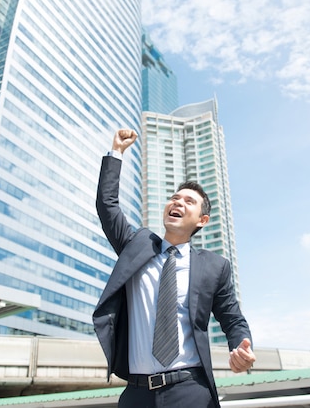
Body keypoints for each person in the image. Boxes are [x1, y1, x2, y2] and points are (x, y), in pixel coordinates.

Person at [93, 129, 256, 408]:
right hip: (136, 394)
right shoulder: (137, 246)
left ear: (202, 220)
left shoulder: (215, 267)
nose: (177, 202)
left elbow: (232, 318)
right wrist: (116, 152)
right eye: (174, 198)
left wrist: (241, 345)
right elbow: (107, 206)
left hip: (189, 390)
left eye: (188, 201)